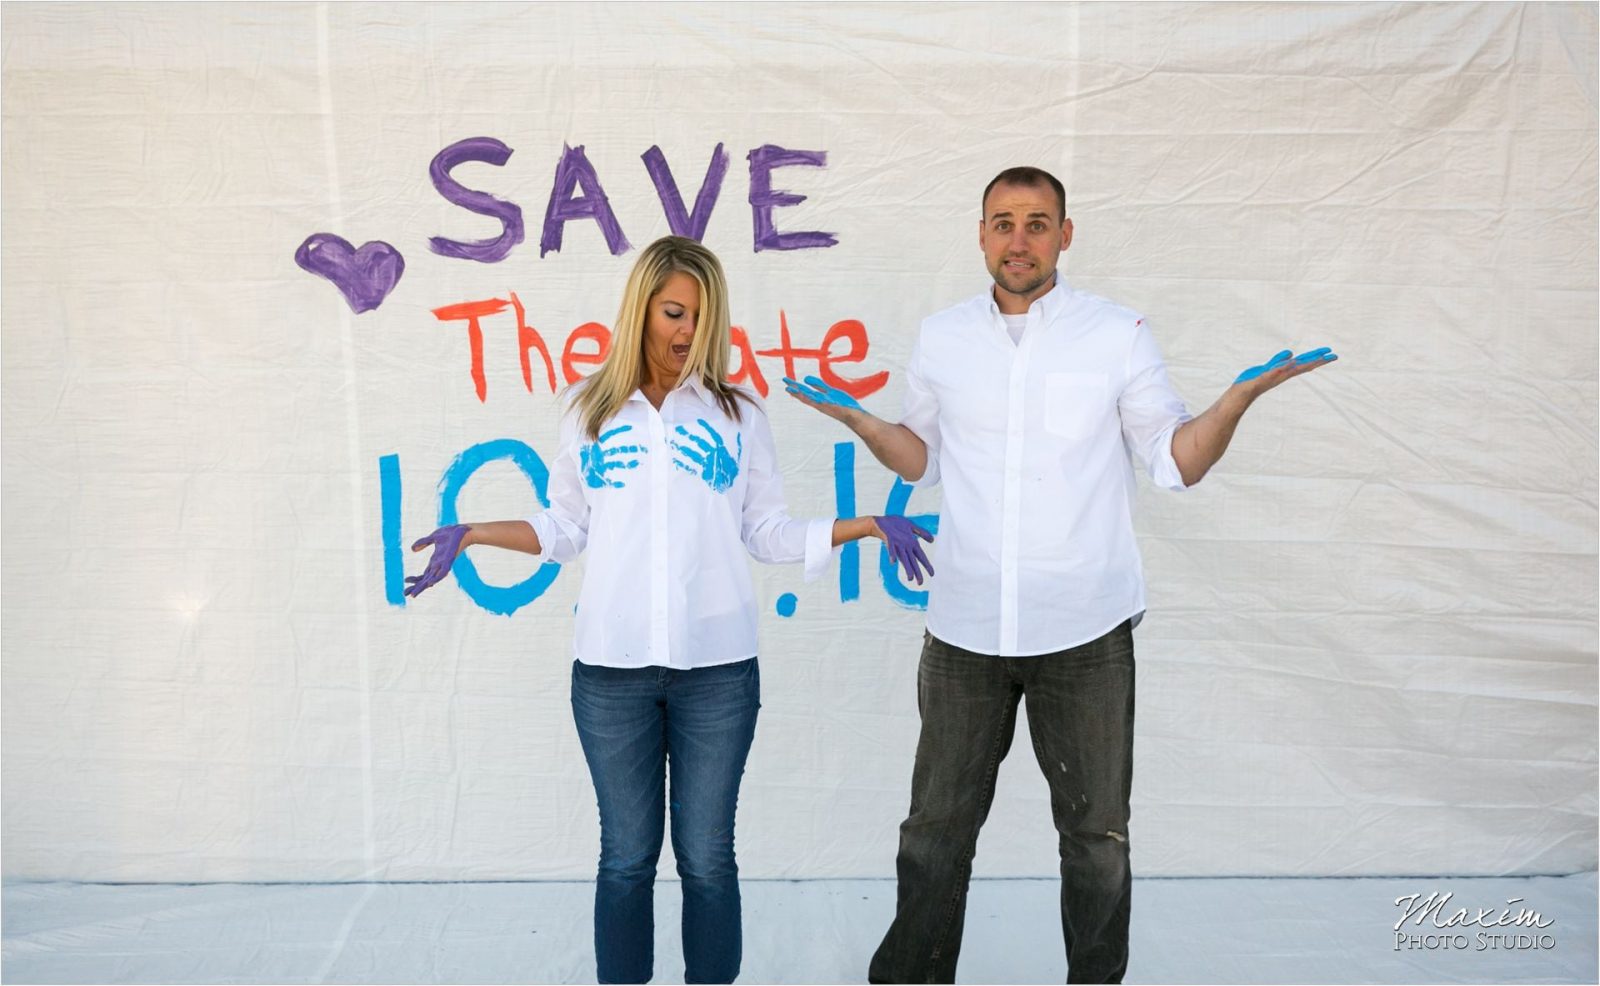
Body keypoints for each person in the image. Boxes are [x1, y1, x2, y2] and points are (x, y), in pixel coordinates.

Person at [783, 166, 1337, 984]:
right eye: (1002, 223)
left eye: (1037, 223)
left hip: (1085, 630)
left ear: (1065, 235)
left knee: (1095, 840)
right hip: (965, 627)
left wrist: (1233, 405)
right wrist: (863, 421)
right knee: (934, 832)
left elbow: (1173, 461)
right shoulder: (945, 336)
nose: (1019, 239)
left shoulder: (1117, 333)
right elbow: (923, 457)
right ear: (979, 235)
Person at [405, 235, 933, 985]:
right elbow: (563, 529)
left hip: (717, 675)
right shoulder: (588, 413)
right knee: (624, 858)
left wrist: (867, 525)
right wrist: (474, 533)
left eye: (702, 318)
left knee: (708, 858)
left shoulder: (737, 416)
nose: (687, 333)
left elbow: (767, 532)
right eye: (675, 313)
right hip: (611, 675)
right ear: (642, 308)